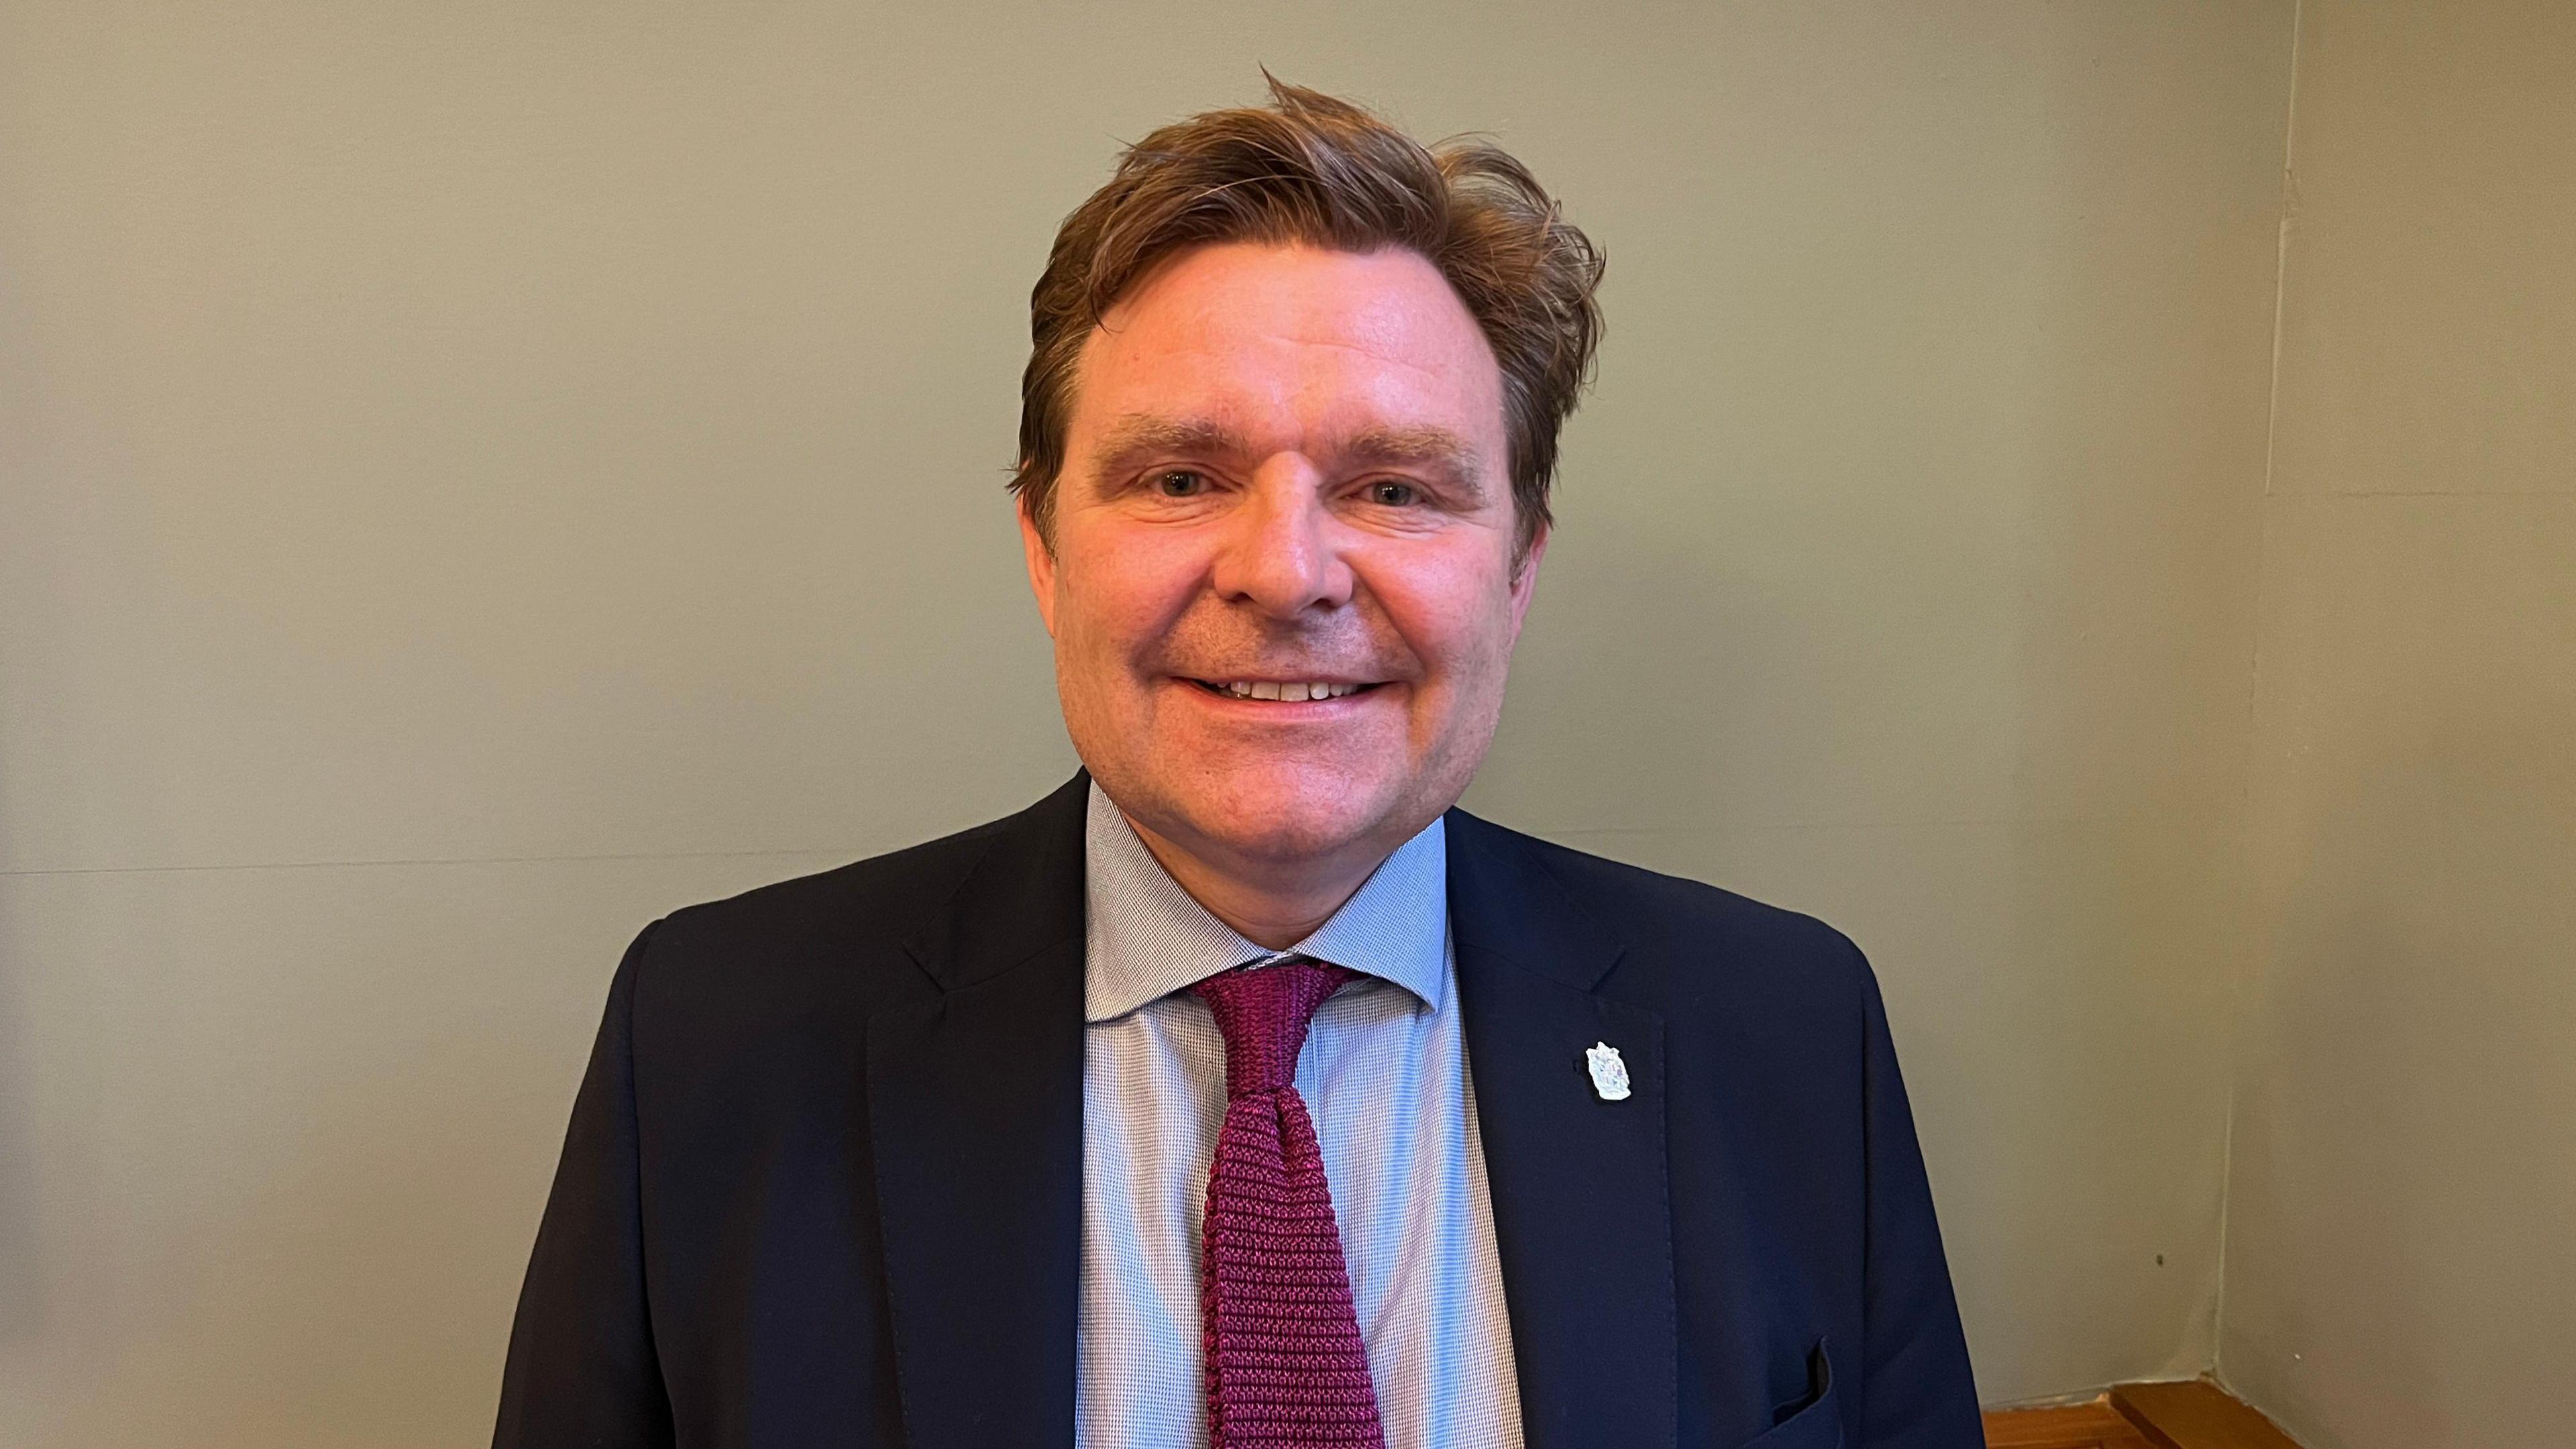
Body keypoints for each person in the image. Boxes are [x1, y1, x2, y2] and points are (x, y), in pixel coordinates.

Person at [494, 80, 1981, 1449]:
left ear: (1518, 568)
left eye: (1394, 486)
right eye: (1183, 477)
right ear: (1043, 545)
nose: (1287, 573)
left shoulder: (1785, 1032)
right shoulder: (712, 1043)